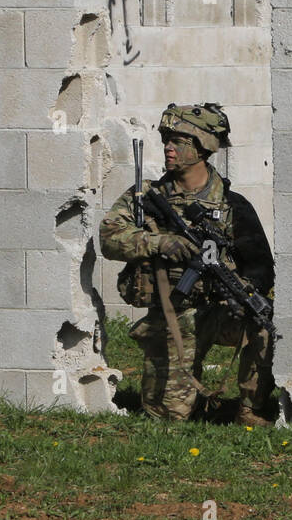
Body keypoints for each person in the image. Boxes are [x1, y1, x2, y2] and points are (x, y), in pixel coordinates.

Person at [99, 102, 277, 427]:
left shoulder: (233, 206)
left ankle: (251, 408)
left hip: (222, 311)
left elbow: (261, 266)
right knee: (169, 418)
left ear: (202, 146)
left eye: (178, 140)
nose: (168, 147)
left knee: (262, 320)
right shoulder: (147, 197)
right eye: (167, 139)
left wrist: (244, 295)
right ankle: (191, 401)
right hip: (174, 317)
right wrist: (159, 242)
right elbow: (109, 237)